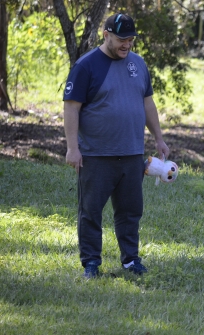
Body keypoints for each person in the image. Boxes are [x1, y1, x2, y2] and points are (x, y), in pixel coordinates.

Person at [63, 13, 170, 278]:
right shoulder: (86, 66)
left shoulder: (138, 64)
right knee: (90, 211)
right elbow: (71, 108)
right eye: (122, 39)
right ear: (106, 35)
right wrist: (72, 147)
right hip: (96, 155)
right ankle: (91, 263)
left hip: (132, 153)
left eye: (131, 39)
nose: (127, 44)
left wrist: (158, 137)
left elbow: (147, 103)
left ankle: (130, 260)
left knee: (130, 211)